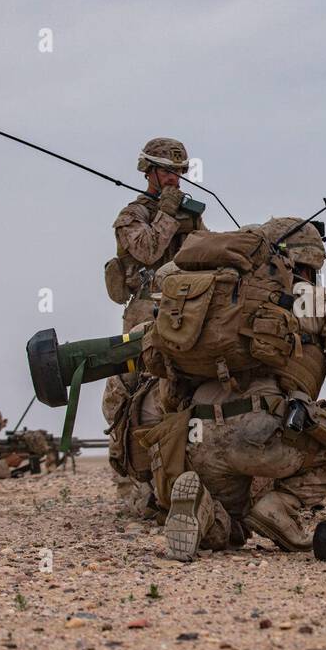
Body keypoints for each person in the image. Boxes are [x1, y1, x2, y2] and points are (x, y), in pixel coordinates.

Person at [140, 217, 326, 561]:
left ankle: (202, 510)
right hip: (262, 434)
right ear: (309, 263)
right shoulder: (323, 302)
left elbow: (170, 387)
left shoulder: (208, 307)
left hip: (199, 437)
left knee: (232, 528)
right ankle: (280, 506)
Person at [102, 137, 207, 513]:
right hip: (145, 310)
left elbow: (205, 251)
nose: (174, 180)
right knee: (125, 391)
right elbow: (145, 250)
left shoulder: (188, 214)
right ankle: (131, 487)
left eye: (180, 172)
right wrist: (164, 213)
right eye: (167, 171)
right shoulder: (132, 216)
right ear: (147, 171)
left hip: (184, 309)